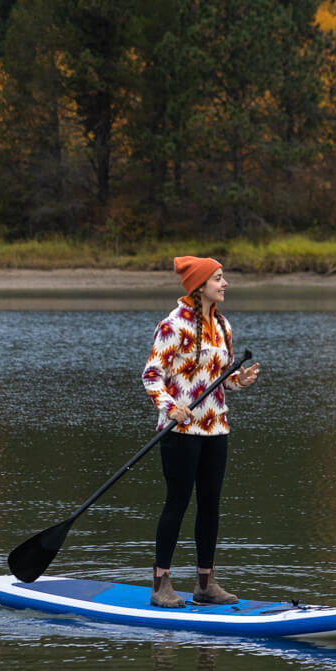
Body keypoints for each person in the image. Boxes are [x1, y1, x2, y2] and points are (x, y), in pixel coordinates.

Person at [142, 257, 260, 608]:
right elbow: (151, 376)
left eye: (223, 278)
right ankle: (161, 583)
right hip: (180, 431)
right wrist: (169, 406)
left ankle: (205, 583)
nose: (224, 284)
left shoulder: (222, 325)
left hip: (216, 428)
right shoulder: (173, 325)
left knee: (210, 504)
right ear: (200, 285)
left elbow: (219, 378)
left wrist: (239, 382)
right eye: (219, 279)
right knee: (177, 502)